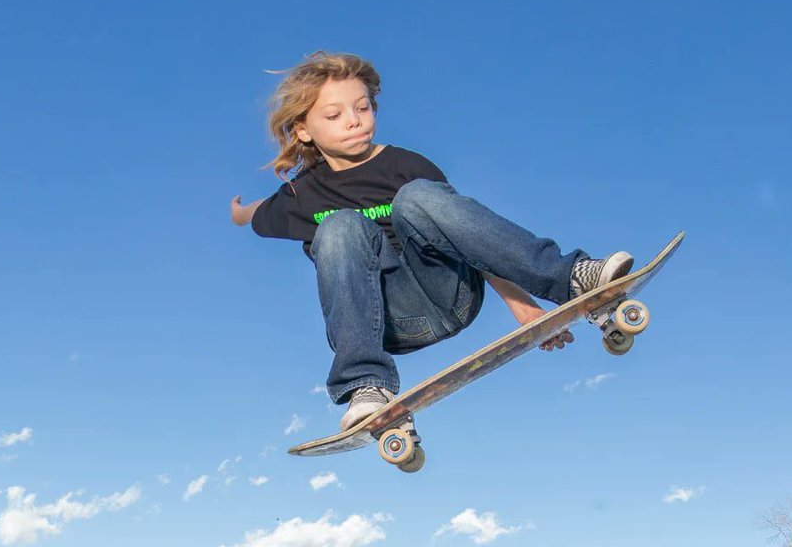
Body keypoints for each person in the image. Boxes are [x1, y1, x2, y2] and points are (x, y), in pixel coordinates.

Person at [231, 51, 632, 432]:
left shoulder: (406, 166)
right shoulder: (299, 197)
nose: (354, 121)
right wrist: (239, 212)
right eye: (334, 115)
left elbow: (470, 237)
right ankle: (366, 385)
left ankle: (571, 277)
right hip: (389, 319)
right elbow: (257, 211)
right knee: (339, 227)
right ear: (303, 129)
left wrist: (523, 307)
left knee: (419, 197)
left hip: (451, 291)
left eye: (363, 107)